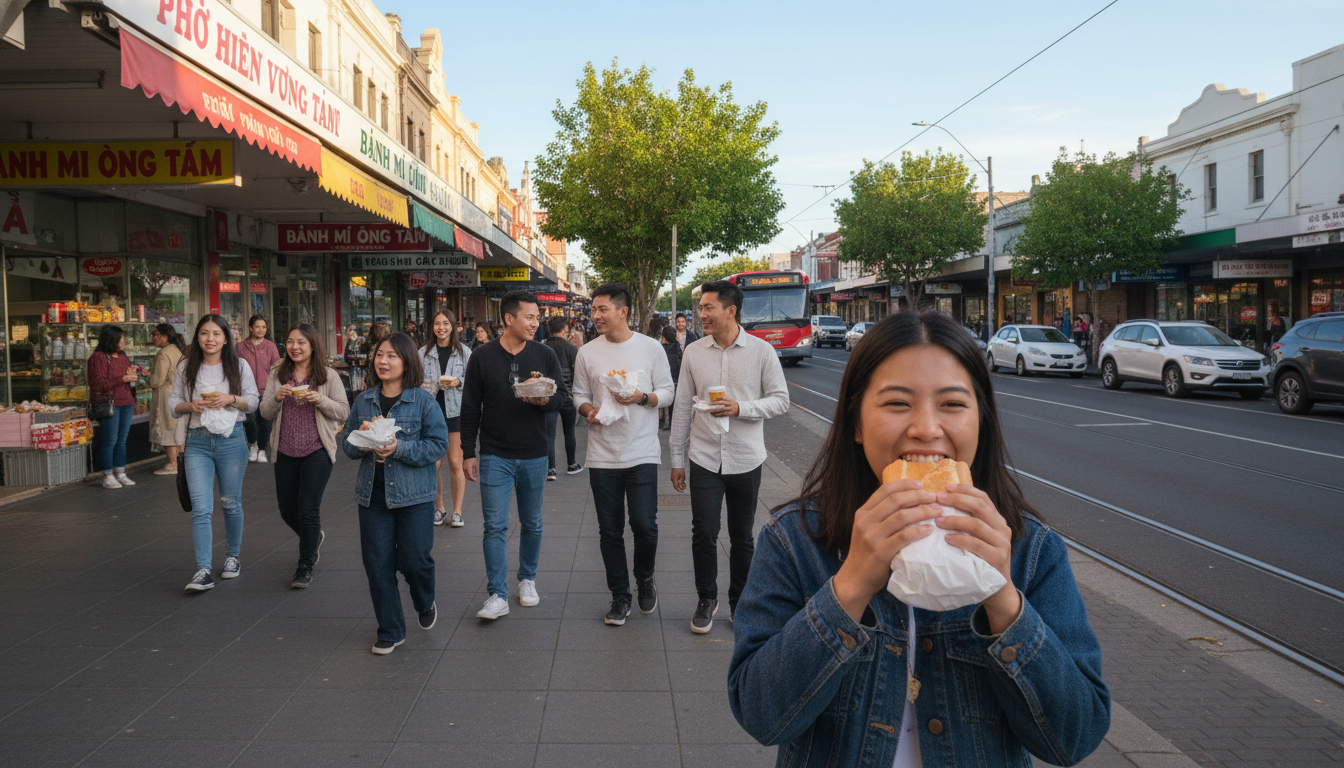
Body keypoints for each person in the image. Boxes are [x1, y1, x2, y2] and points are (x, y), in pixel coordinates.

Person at [727, 311, 1110, 767]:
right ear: (855, 423)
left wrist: (1004, 600)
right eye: (896, 404)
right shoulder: (795, 540)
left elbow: (1074, 738)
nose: (926, 429)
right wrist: (849, 587)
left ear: (981, 420)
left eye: (951, 404)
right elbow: (761, 716)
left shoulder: (1030, 549)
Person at [669, 280, 789, 633]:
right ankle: (707, 598)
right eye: (700, 309)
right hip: (704, 456)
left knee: (742, 536)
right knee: (703, 531)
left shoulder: (761, 351)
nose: (701, 314)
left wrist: (741, 408)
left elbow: (780, 399)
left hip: (746, 457)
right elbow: (681, 408)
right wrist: (677, 458)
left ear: (730, 311)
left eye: (708, 308)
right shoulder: (693, 352)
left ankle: (740, 602)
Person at [573, 284, 676, 625]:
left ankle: (644, 576)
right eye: (593, 310)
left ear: (623, 311)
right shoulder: (587, 352)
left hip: (643, 451)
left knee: (645, 525)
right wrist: (588, 410)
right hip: (602, 455)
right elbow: (579, 393)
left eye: (602, 309)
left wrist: (642, 398)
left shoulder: (650, 348)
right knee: (609, 530)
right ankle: (620, 595)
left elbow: (668, 392)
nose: (596, 315)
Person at [460, 291, 565, 620]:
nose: (536, 323)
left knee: (532, 523)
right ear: (509, 319)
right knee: (495, 526)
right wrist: (468, 452)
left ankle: (527, 579)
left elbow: (561, 398)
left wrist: (545, 401)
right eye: (529, 317)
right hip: (494, 454)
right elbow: (469, 407)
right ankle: (497, 594)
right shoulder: (481, 356)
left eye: (537, 317)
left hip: (534, 452)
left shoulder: (544, 354)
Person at [342, 332, 449, 654]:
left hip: (414, 496)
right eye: (379, 355)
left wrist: (398, 447)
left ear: (406, 362)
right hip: (371, 496)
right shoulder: (363, 400)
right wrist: (362, 439)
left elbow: (438, 445)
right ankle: (390, 629)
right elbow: (348, 446)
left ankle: (424, 599)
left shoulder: (423, 401)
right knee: (378, 566)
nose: (383, 361)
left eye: (391, 356)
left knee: (415, 561)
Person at [170, 314, 260, 592]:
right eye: (204, 333)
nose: (210, 339)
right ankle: (203, 569)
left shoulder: (239, 365)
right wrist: (190, 406)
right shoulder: (186, 366)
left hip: (232, 440)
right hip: (197, 441)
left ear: (225, 338)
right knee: (201, 508)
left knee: (230, 502)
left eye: (216, 334)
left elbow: (253, 402)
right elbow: (174, 403)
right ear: (197, 337)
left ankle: (232, 557)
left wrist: (230, 399)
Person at [261, 324, 350, 589]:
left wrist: (319, 399)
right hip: (285, 449)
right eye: (290, 342)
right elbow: (265, 412)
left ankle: (305, 565)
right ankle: (312, 538)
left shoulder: (327, 375)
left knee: (308, 509)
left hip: (317, 450)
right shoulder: (278, 372)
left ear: (312, 345)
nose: (295, 347)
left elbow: (344, 412)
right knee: (287, 510)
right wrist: (277, 397)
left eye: (301, 342)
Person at [419, 310, 471, 528]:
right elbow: (413, 380)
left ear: (453, 326)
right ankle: (438, 507)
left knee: (455, 462)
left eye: (446, 323)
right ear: (432, 327)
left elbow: (473, 383)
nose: (441, 327)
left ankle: (457, 511)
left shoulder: (464, 352)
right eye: (437, 323)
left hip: (455, 412)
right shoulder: (422, 352)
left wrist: (458, 383)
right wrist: (423, 385)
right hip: (431, 411)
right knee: (433, 464)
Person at [88, 325, 141, 489]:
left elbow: (126, 378)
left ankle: (120, 472)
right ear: (112, 340)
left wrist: (132, 375)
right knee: (109, 440)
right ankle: (107, 475)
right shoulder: (98, 357)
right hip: (109, 403)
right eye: (121, 339)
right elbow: (98, 383)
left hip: (126, 402)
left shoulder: (123, 356)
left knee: (121, 441)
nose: (124, 342)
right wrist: (123, 378)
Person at [237, 314, 281, 463]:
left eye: (264, 327)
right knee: (249, 420)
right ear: (250, 328)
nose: (261, 330)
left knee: (265, 422)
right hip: (246, 391)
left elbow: (276, 368)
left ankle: (262, 449)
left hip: (266, 390)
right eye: (257, 326)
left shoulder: (270, 346)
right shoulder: (240, 347)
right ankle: (253, 445)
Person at [543, 316, 581, 480]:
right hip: (568, 397)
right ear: (564, 330)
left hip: (549, 397)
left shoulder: (542, 348)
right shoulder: (571, 349)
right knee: (569, 431)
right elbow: (578, 375)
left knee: (548, 434)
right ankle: (571, 464)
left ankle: (551, 469)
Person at [148, 323, 187, 476]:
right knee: (177, 428)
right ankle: (180, 461)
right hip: (177, 394)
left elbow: (157, 380)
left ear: (164, 337)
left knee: (167, 428)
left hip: (166, 395)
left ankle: (172, 463)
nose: (153, 338)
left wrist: (148, 378)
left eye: (156, 334)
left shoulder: (163, 354)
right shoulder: (177, 351)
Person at [659, 325, 682, 432]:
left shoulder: (662, 348)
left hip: (666, 379)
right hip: (677, 378)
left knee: (667, 404)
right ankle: (673, 423)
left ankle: (667, 423)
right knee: (674, 404)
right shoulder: (677, 347)